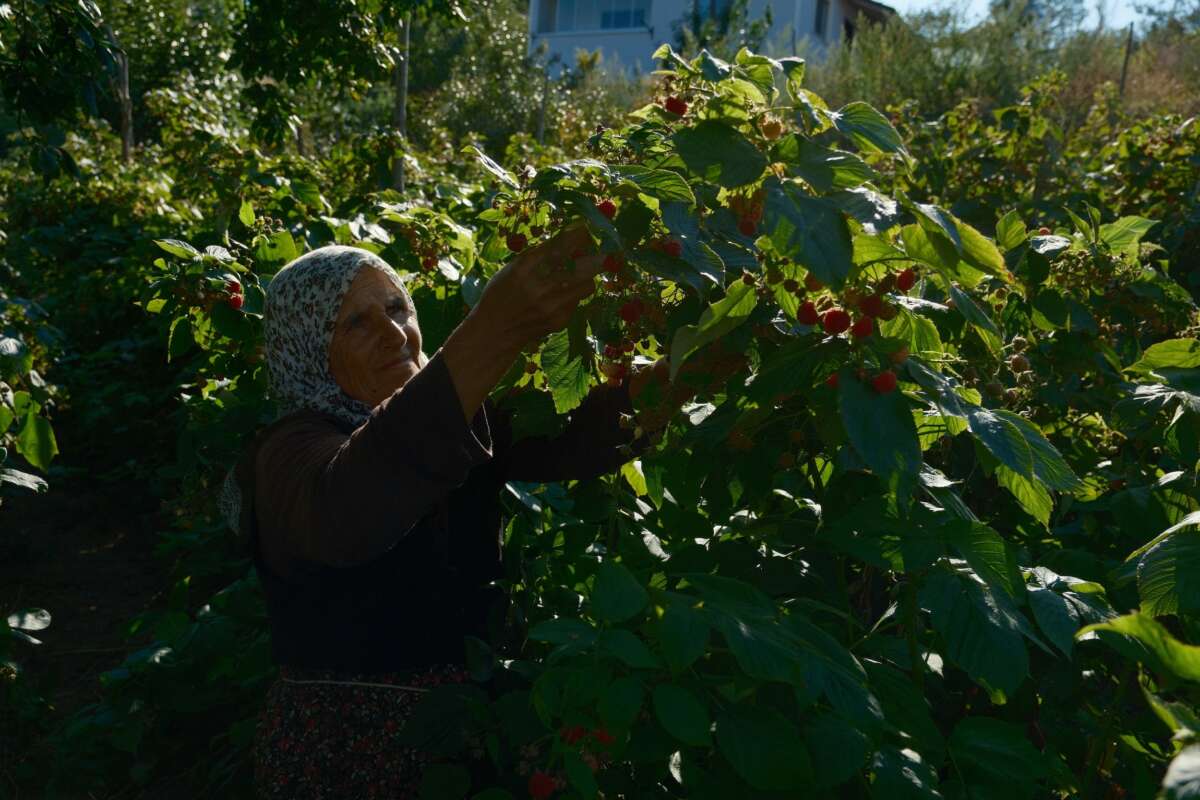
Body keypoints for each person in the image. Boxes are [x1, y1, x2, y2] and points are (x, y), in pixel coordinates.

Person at [217, 223, 716, 798]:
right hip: (349, 750)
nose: (395, 333)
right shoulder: (290, 451)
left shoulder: (452, 419)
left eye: (397, 307)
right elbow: (352, 504)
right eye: (355, 322)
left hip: (471, 733)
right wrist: (496, 329)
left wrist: (681, 376)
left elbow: (570, 433)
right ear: (305, 345)